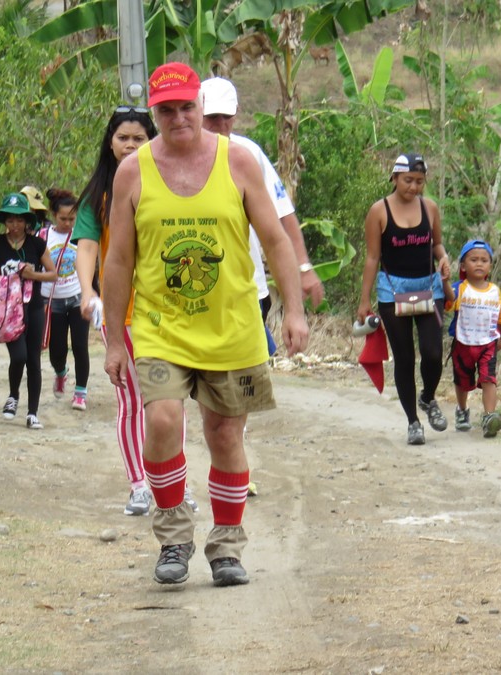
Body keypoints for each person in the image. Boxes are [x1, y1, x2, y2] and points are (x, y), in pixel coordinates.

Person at [102, 62, 308, 587]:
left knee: (225, 434)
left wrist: (294, 309)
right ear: (154, 114)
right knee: (162, 420)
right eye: (166, 110)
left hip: (232, 327)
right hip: (160, 327)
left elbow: (277, 238)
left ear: (200, 106)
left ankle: (227, 547)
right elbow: (119, 260)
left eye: (186, 107)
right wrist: (114, 341)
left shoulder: (238, 161)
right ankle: (174, 538)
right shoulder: (133, 172)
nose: (178, 118)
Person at [76, 105, 197, 516]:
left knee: (171, 401)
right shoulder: (98, 196)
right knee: (131, 400)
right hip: (122, 313)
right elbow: (87, 248)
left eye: (138, 138)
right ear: (110, 143)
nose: (130, 145)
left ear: (152, 141)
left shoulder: (171, 185)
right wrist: (87, 291)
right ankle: (139, 485)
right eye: (122, 138)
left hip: (169, 311)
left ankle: (176, 482)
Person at [198, 77, 325, 316]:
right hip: (195, 288)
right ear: (197, 112)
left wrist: (304, 267)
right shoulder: (172, 159)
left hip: (246, 288)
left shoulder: (248, 155)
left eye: (226, 116)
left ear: (236, 113)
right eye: (212, 117)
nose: (220, 124)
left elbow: (283, 214)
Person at [356, 153, 452, 446]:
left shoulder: (430, 207)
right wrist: (364, 300)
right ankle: (413, 421)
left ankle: (428, 398)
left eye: (419, 181)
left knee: (433, 352)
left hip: (429, 286)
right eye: (408, 180)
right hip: (392, 289)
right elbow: (372, 257)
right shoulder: (379, 211)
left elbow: (437, 244)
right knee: (405, 357)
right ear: (394, 178)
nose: (413, 187)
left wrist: (444, 259)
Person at [0, 193, 57, 430]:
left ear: (27, 221)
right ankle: (13, 395)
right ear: (4, 221)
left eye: (19, 219)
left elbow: (53, 274)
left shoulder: (37, 244)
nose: (14, 225)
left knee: (34, 360)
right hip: (8, 310)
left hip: (34, 308)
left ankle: (32, 412)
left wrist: (33, 275)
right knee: (19, 356)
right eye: (10, 219)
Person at [445, 240, 501, 438]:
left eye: (484, 260)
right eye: (474, 260)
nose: (479, 263)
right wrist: (444, 282)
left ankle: (489, 417)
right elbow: (448, 304)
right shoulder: (460, 289)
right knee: (462, 381)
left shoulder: (494, 291)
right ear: (463, 266)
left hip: (488, 344)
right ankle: (462, 410)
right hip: (463, 344)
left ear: (490, 265)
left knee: (489, 379)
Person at [40, 189, 90, 410]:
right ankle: (61, 372)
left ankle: (80, 393)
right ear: (54, 215)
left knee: (80, 346)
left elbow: (90, 263)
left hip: (77, 297)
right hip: (52, 301)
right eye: (63, 219)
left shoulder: (82, 235)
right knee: (57, 349)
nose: (68, 223)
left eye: (72, 219)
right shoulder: (43, 236)